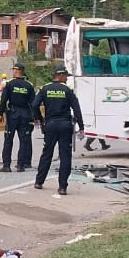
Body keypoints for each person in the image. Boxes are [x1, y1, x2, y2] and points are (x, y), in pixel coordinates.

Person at [33, 66, 85, 195]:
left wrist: (40, 119)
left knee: (47, 154)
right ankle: (62, 187)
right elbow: (77, 109)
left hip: (50, 125)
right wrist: (81, 126)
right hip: (65, 125)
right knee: (65, 156)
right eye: (66, 76)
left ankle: (39, 182)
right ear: (60, 76)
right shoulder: (67, 90)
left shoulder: (45, 88)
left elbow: (34, 105)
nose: (67, 79)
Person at [0, 63, 36, 172]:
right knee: (24, 140)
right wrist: (34, 117)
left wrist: (1, 114)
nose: (13, 71)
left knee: (8, 140)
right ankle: (20, 165)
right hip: (25, 115)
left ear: (17, 70)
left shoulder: (9, 84)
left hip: (12, 115)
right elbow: (33, 103)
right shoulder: (29, 85)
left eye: (14, 69)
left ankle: (6, 165)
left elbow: (3, 100)